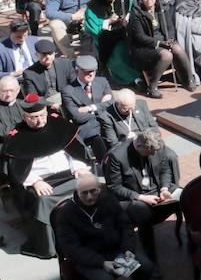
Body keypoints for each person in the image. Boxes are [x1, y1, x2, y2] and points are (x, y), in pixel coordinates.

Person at [53, 172, 152, 280]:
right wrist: (102, 263)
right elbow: (71, 249)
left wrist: (127, 250)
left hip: (115, 253)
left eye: (93, 191)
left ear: (99, 189)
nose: (90, 196)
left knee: (145, 267)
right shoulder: (67, 213)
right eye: (85, 193)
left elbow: (125, 226)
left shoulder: (108, 201)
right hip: (89, 260)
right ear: (77, 192)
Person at [5, 96, 91, 258]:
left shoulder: (59, 124)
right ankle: (48, 245)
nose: (39, 121)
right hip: (42, 180)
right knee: (43, 200)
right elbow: (17, 167)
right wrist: (35, 181)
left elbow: (73, 150)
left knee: (91, 184)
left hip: (69, 173)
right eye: (34, 117)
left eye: (42, 115)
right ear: (25, 117)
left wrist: (79, 167)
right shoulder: (17, 137)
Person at [101, 127, 181, 266]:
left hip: (157, 190)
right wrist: (140, 197)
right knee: (143, 212)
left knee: (185, 194)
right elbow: (115, 187)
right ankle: (152, 260)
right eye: (148, 152)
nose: (152, 155)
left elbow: (165, 170)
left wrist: (164, 187)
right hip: (132, 197)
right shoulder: (117, 156)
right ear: (138, 145)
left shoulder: (157, 147)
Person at [60, 55, 114, 162]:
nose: (90, 74)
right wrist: (102, 106)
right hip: (88, 128)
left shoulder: (102, 82)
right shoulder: (68, 90)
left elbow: (112, 103)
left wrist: (91, 107)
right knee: (98, 139)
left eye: (93, 71)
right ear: (77, 71)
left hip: (107, 123)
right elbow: (77, 117)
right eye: (86, 71)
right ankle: (105, 165)